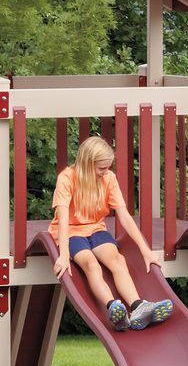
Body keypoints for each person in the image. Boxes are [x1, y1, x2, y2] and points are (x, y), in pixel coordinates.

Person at [52, 135, 170, 331]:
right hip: (72, 232)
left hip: (96, 228)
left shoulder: (109, 179)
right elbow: (63, 217)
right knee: (90, 264)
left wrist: (145, 250)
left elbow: (124, 216)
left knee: (117, 260)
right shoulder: (67, 178)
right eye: (101, 168)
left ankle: (138, 306)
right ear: (87, 164)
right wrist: (63, 255)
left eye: (108, 167)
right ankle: (114, 307)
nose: (105, 172)